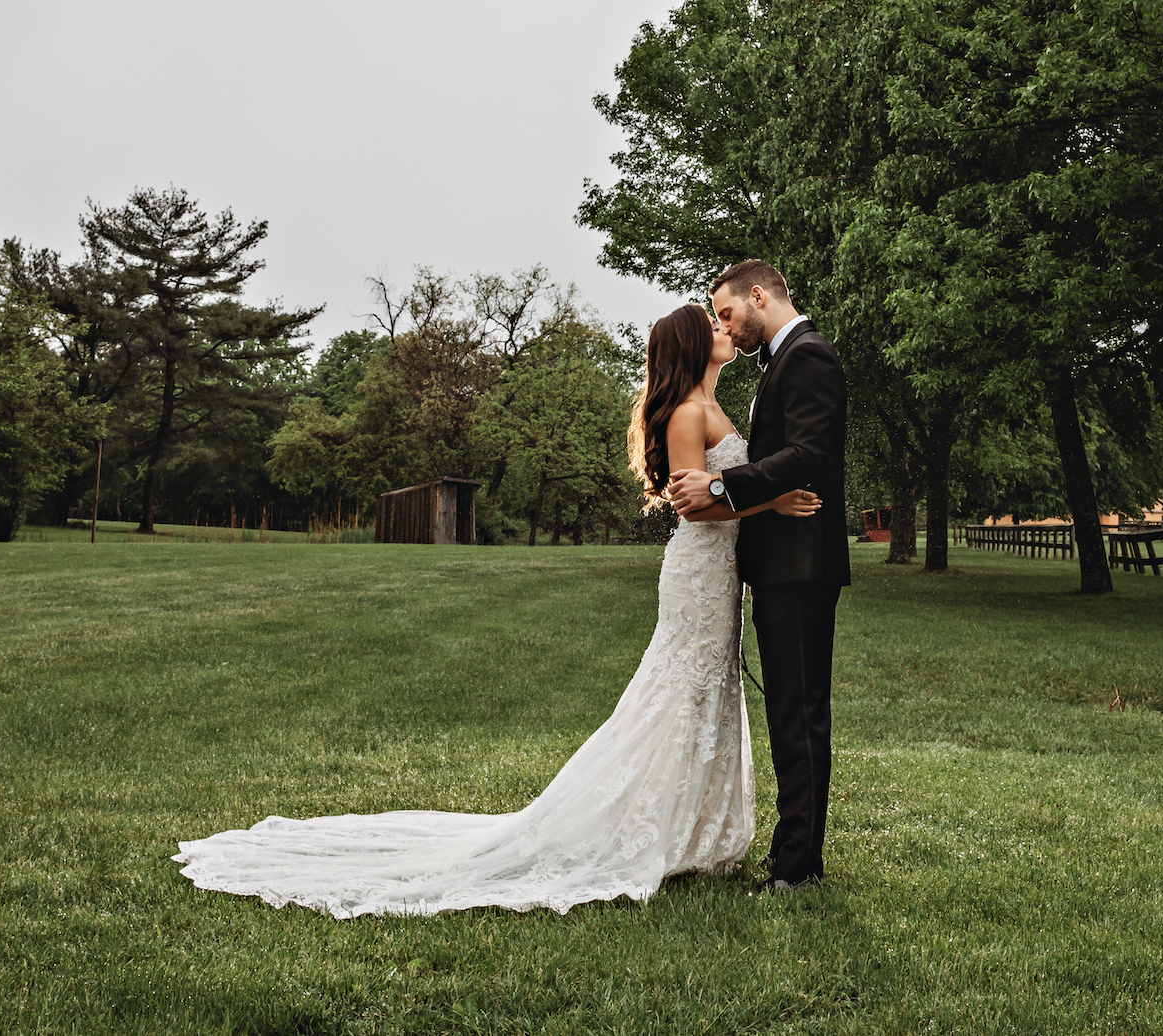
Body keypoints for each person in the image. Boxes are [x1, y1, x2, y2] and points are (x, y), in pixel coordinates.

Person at [172, 300, 818, 917]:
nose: (722, 326)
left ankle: (695, 834)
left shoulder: (714, 404)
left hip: (719, 577)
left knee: (708, 694)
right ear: (689, 345)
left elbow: (715, 488)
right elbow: (693, 506)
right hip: (697, 574)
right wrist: (773, 501)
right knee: (679, 693)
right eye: (709, 322)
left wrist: (752, 495)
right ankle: (643, 831)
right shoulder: (685, 413)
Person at [666, 259, 847, 892]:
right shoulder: (781, 362)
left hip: (800, 563)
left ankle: (798, 869)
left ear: (759, 297)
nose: (726, 327)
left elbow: (807, 455)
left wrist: (720, 480)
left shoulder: (809, 356)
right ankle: (793, 855)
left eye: (726, 313)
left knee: (799, 715)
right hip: (779, 565)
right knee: (790, 716)